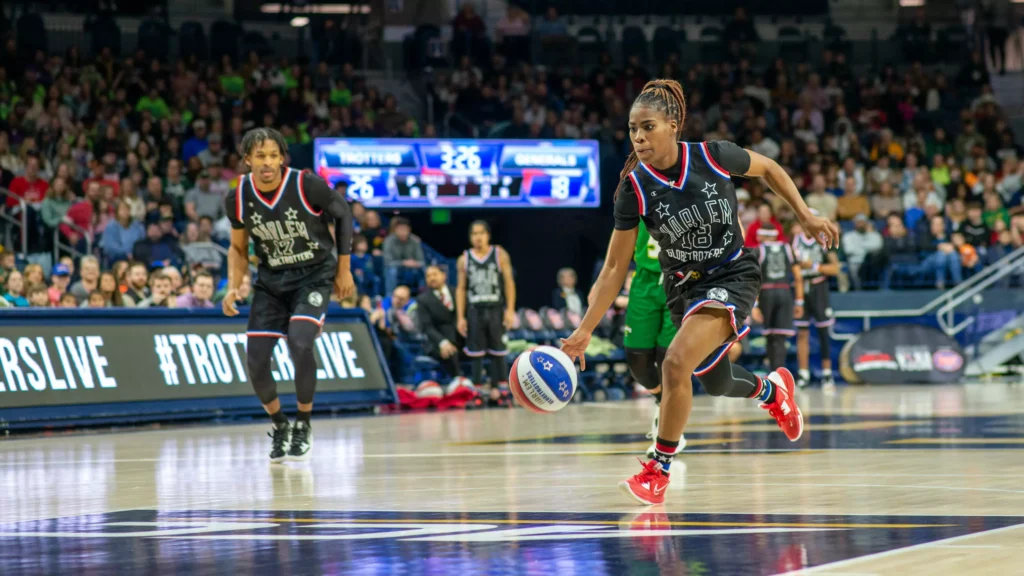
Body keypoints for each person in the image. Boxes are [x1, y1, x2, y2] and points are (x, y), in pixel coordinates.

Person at [560, 79, 838, 505]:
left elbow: (770, 169)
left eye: (647, 126)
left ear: (673, 125)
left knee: (674, 365)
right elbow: (616, 267)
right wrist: (583, 330)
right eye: (632, 129)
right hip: (683, 289)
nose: (637, 136)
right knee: (716, 381)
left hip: (732, 275)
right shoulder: (633, 189)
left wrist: (805, 215)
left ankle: (658, 470)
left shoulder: (713, 156)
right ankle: (772, 391)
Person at [223, 127, 355, 463]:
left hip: (314, 275)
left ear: (282, 157)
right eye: (260, 156)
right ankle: (280, 425)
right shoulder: (237, 196)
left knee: (299, 340)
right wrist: (233, 285)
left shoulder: (306, 184)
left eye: (273, 155)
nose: (267, 163)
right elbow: (238, 248)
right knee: (255, 360)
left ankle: (304, 423)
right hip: (271, 281)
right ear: (247, 160)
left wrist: (344, 269)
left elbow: (343, 214)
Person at [456, 220, 516, 397]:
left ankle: (502, 388)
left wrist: (510, 310)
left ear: (488, 235)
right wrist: (461, 316)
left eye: (481, 233)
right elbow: (460, 288)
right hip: (475, 309)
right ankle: (477, 389)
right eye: (474, 234)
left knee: (498, 349)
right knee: (476, 350)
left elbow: (509, 283)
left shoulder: (499, 254)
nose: (478, 237)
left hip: (495, 308)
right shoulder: (464, 259)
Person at [791, 214, 841, 388]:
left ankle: (827, 373)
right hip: (801, 287)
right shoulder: (794, 241)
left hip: (819, 287)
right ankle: (803, 374)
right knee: (802, 332)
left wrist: (814, 266)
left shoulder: (824, 240)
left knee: (823, 331)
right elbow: (793, 267)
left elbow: (835, 268)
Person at [750, 225, 804, 371]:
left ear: (761, 235)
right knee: (780, 337)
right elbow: (798, 277)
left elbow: (754, 279)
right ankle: (780, 373)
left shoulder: (759, 250)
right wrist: (799, 301)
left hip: (766, 293)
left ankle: (773, 374)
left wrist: (754, 305)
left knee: (770, 336)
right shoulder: (788, 249)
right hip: (785, 292)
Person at [416, 265, 467, 389]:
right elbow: (427, 327)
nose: (431, 278)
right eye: (428, 276)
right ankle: (459, 386)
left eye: (434, 274)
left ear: (444, 276)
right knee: (449, 351)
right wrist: (443, 343)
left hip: (462, 339)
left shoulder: (457, 293)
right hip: (437, 342)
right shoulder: (422, 300)